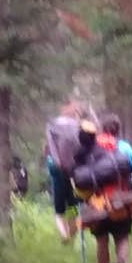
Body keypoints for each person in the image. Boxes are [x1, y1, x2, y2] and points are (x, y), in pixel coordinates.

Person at [74, 116, 132, 263]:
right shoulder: (122, 146)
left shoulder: (89, 147)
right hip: (121, 198)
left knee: (101, 241)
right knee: (122, 236)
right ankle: (121, 262)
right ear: (117, 130)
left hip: (97, 202)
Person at [41, 97, 92, 241]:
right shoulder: (80, 125)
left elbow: (48, 148)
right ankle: (68, 234)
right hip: (75, 169)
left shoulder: (52, 125)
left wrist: (56, 161)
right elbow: (85, 147)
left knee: (60, 207)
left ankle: (66, 235)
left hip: (58, 168)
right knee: (75, 205)